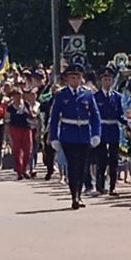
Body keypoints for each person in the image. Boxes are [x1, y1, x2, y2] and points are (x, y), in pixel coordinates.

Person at [48, 63, 102, 210]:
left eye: (78, 77)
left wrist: (96, 134)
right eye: (72, 77)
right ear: (67, 79)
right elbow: (54, 118)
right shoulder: (61, 95)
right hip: (68, 135)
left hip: (84, 135)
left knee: (82, 167)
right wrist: (54, 137)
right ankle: (74, 196)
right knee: (72, 166)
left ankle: (79, 193)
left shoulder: (88, 94)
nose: (75, 80)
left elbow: (96, 117)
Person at [94, 66, 125, 196]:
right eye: (105, 79)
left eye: (109, 79)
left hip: (113, 130)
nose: (107, 82)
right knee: (101, 160)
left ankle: (113, 186)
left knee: (113, 160)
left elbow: (120, 114)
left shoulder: (117, 97)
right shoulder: (95, 96)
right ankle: (100, 185)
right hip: (101, 130)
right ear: (101, 81)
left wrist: (127, 122)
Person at [6, 89, 34, 180]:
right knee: (17, 151)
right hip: (15, 129)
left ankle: (25, 169)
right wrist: (7, 134)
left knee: (28, 150)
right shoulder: (10, 107)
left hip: (26, 128)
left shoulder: (26, 104)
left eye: (20, 94)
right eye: (16, 95)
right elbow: (7, 120)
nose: (18, 97)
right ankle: (19, 172)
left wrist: (32, 114)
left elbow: (32, 115)